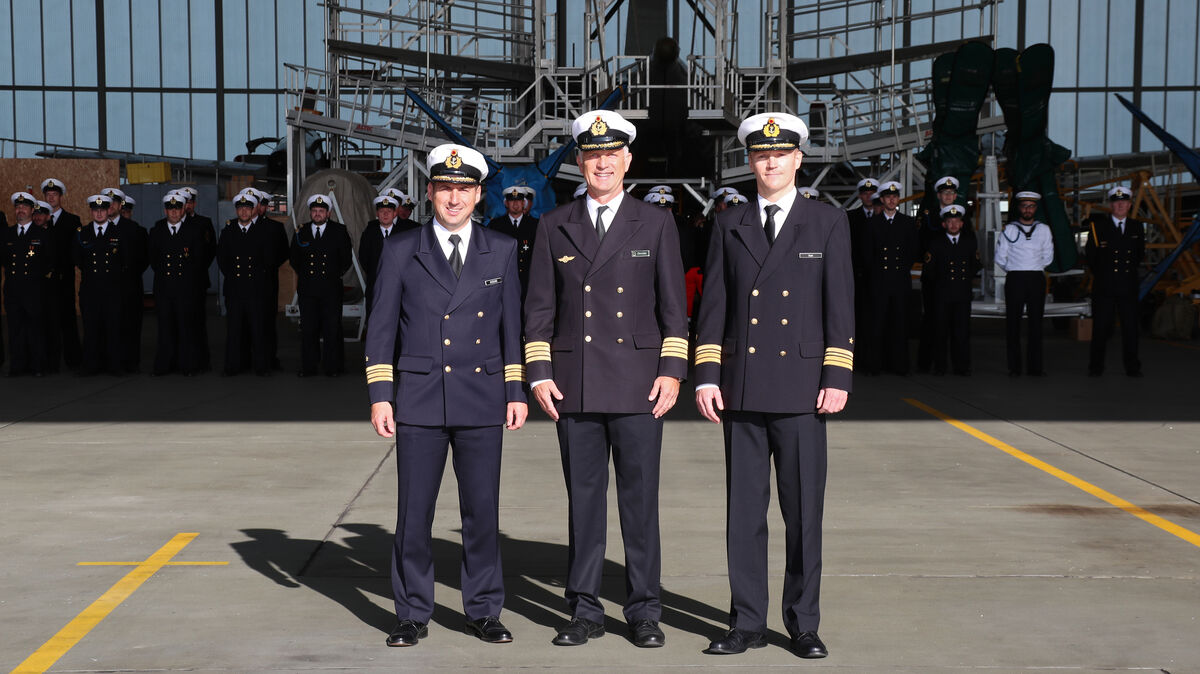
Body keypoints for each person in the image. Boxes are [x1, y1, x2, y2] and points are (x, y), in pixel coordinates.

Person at [523, 109, 688, 649]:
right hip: (577, 385)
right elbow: (539, 310)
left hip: (640, 385)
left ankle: (643, 609)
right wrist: (540, 373)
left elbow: (673, 308)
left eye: (611, 155)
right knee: (585, 503)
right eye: (592, 156)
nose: (602, 164)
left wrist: (672, 370)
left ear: (627, 161)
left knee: (640, 504)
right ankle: (585, 608)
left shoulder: (655, 222)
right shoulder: (554, 224)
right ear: (579, 163)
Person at [693, 112, 853, 660]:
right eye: (762, 155)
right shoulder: (729, 223)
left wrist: (837, 375)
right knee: (745, 512)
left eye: (781, 154)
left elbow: (840, 306)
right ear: (751, 161)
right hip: (742, 385)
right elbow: (713, 305)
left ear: (798, 160)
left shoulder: (827, 222)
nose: (771, 162)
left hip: (804, 387)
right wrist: (706, 374)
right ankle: (747, 622)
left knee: (803, 512)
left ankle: (803, 623)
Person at [366, 143, 528, 648]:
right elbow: (381, 326)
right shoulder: (401, 249)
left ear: (480, 195)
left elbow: (511, 328)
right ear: (430, 192)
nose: (453, 198)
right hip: (419, 397)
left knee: (482, 512)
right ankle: (412, 611)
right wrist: (381, 394)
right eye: (444, 188)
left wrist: (515, 389)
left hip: (481, 395)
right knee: (414, 512)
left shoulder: (500, 249)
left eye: (464, 189)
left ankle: (483, 609)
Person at [217, 193, 285, 376]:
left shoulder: (264, 231)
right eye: (240, 208)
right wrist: (234, 277)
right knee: (234, 330)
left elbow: (270, 258)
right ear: (236, 210)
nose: (244, 211)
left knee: (258, 330)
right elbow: (222, 259)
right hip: (235, 288)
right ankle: (232, 366)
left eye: (247, 208)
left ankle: (262, 367)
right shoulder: (229, 230)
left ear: (254, 210)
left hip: (257, 288)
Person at [148, 192, 214, 376]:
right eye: (170, 209)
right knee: (165, 328)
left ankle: (188, 365)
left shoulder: (194, 231)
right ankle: (164, 365)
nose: (174, 213)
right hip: (164, 287)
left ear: (184, 209)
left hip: (187, 288)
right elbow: (154, 259)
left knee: (187, 327)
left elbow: (199, 259)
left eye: (177, 208)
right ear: (165, 210)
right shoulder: (157, 230)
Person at [859, 180, 918, 375]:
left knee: (899, 325)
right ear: (882, 200)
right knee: (877, 324)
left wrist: (899, 271)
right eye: (888, 197)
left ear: (898, 199)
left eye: (894, 197)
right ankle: (874, 365)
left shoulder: (908, 223)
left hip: (900, 281)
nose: (891, 200)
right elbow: (867, 255)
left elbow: (912, 252)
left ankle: (899, 365)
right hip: (879, 281)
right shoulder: (872, 224)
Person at [291, 194, 353, 377]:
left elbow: (346, 259)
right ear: (310, 212)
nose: (317, 214)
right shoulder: (301, 231)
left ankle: (332, 367)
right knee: (309, 329)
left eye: (321, 211)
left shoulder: (339, 231)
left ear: (328, 213)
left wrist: (333, 275)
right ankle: (309, 367)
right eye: (314, 211)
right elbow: (294, 258)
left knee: (331, 328)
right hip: (308, 289)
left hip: (330, 289)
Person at [1085, 185, 1144, 377]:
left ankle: (1132, 367)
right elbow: (1091, 257)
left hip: (1128, 286)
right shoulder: (1098, 227)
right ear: (1111, 205)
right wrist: (1106, 275)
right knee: (1101, 328)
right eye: (1117, 202)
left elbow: (1139, 255)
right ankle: (1096, 367)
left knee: (1130, 329)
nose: (1120, 205)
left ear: (1129, 204)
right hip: (1104, 286)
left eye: (1124, 202)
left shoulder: (1137, 227)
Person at [995, 190, 1055, 376]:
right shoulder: (1010, 230)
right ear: (1019, 208)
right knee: (1013, 324)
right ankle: (1014, 368)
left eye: (1031, 206)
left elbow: (1048, 257)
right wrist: (1015, 268)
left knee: (1036, 324)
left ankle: (1035, 367)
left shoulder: (1044, 229)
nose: (1027, 209)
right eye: (1024, 206)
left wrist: (1032, 267)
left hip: (1036, 277)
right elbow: (1000, 257)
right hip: (1015, 278)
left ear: (1035, 208)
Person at [1, 192, 56, 376]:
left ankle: (37, 366)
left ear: (32, 210)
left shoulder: (41, 234)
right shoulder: (8, 234)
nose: (20, 210)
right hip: (13, 290)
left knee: (35, 329)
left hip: (34, 290)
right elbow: (5, 260)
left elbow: (49, 261)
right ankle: (17, 366)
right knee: (15, 329)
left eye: (24, 207)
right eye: (18, 207)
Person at [923, 204, 981, 375]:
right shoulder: (936, 244)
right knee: (940, 332)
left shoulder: (969, 242)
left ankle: (962, 366)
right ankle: (940, 366)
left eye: (957, 221)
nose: (954, 225)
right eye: (950, 221)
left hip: (962, 294)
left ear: (962, 224)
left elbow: (975, 265)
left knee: (962, 332)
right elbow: (929, 271)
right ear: (944, 224)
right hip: (942, 294)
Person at [73, 195, 128, 376]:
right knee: (91, 329)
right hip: (91, 290)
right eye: (95, 210)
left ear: (108, 210)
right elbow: (79, 260)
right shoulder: (83, 232)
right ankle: (90, 365)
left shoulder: (119, 232)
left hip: (112, 289)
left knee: (113, 328)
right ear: (91, 212)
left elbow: (125, 260)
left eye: (102, 210)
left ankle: (114, 366)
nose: (99, 213)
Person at [917, 176, 964, 373]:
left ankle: (957, 365)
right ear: (938, 195)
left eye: (951, 193)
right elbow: (920, 242)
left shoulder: (963, 216)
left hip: (955, 281)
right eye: (945, 193)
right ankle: (927, 363)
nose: (948, 196)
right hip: (933, 279)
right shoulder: (928, 215)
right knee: (931, 321)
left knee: (957, 325)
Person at [102, 187, 149, 373]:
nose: (111, 206)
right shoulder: (97, 227)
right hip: (105, 287)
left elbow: (143, 258)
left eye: (114, 203)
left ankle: (130, 362)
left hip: (128, 286)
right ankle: (108, 361)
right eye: (108, 202)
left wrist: (128, 276)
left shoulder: (134, 229)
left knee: (129, 325)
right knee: (107, 326)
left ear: (120, 205)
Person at [42, 178, 83, 371]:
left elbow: (76, 249)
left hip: (64, 278)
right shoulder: (40, 219)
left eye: (54, 195)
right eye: (48, 195)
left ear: (61, 197)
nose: (51, 197)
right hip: (44, 281)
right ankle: (51, 361)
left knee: (68, 320)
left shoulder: (72, 220)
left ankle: (73, 360)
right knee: (48, 322)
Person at [359, 194, 418, 317]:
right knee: (375, 320)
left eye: (389, 211)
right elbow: (364, 259)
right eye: (382, 211)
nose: (385, 214)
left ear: (395, 214)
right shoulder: (369, 233)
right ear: (377, 214)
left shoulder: (403, 234)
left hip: (399, 288)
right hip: (375, 286)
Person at [179, 186, 217, 372]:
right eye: (185, 202)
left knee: (197, 322)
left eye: (191, 202)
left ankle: (201, 360)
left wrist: (197, 269)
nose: (188, 205)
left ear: (194, 203)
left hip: (198, 280)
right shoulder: (173, 223)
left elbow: (210, 250)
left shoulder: (204, 223)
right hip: (177, 282)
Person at [488, 186, 539, 297]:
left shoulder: (535, 225)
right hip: (503, 278)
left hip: (527, 279)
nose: (515, 204)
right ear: (506, 203)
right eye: (511, 201)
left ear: (524, 203)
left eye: (519, 201)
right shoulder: (496, 225)